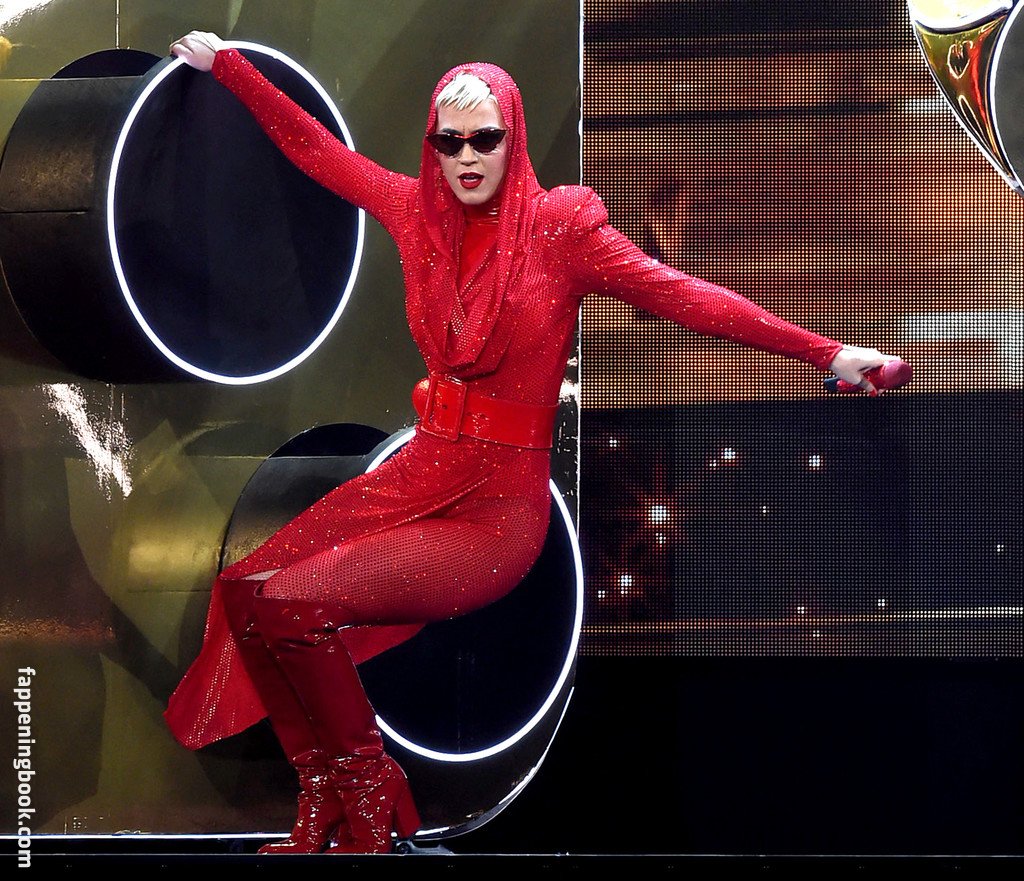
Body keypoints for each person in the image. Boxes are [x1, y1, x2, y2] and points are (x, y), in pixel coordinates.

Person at [164, 30, 905, 855]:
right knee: (251, 593)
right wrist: (228, 67)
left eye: (485, 139)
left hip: (495, 516)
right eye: (449, 141)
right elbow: (315, 150)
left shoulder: (561, 230)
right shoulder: (417, 213)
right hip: (420, 473)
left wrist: (827, 353)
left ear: (512, 138)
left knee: (294, 602)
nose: (466, 157)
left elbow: (685, 297)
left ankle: (369, 796)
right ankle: (326, 801)